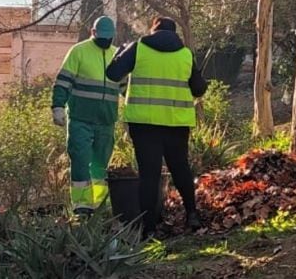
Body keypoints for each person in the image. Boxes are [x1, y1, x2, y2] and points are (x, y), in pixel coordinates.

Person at [106, 16, 208, 236]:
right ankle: (192, 215)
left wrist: (119, 52)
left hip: (144, 124)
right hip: (176, 124)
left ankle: (149, 229)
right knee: (180, 169)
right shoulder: (185, 55)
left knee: (149, 175)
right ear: (175, 34)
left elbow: (112, 74)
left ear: (153, 31)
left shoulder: (138, 48)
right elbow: (199, 89)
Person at [51, 15, 121, 216]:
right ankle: (82, 206)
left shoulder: (117, 56)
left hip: (106, 121)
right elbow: (63, 81)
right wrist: (57, 106)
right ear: (93, 33)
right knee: (80, 160)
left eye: (109, 38)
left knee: (100, 164)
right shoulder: (79, 51)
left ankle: (98, 205)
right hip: (81, 118)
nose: (106, 41)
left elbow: (126, 87)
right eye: (103, 37)